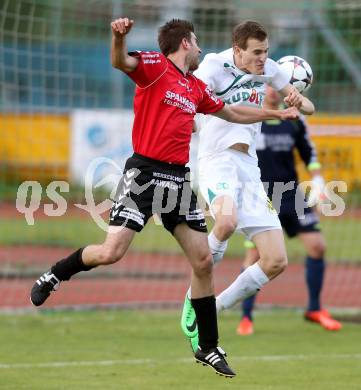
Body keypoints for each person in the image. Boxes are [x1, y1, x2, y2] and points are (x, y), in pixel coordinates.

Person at [30, 18, 299, 378]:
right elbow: (120, 62)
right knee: (111, 253)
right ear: (185, 43)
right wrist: (117, 36)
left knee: (203, 261)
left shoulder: (195, 88)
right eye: (198, 41)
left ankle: (208, 345)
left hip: (178, 179)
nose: (202, 47)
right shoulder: (155, 67)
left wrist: (275, 112)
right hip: (142, 174)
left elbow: (232, 112)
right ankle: (56, 274)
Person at [181, 20, 315, 351]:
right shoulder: (213, 64)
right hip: (217, 160)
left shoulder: (269, 68)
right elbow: (188, 96)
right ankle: (194, 298)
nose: (263, 58)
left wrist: (297, 98)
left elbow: (309, 108)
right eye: (256, 52)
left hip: (248, 167)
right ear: (238, 50)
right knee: (226, 222)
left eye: (266, 51)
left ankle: (213, 307)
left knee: (275, 261)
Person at [237, 86, 342, 336]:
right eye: (269, 84)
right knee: (255, 258)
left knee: (317, 246)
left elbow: (309, 154)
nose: (273, 91)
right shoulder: (252, 118)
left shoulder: (295, 120)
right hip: (260, 196)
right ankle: (246, 318)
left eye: (278, 85)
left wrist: (317, 180)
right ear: (262, 88)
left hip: (292, 194)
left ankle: (315, 309)